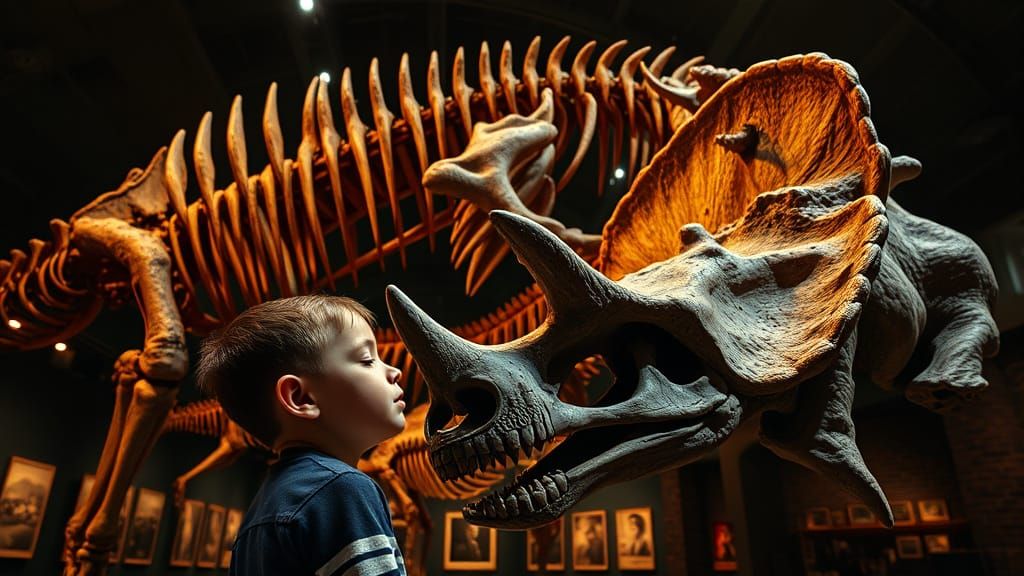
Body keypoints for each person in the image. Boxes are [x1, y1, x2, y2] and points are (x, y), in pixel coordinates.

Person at [197, 295, 407, 575]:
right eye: (367, 359)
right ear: (301, 397)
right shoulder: (342, 489)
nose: (394, 371)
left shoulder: (266, 507)